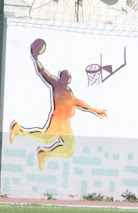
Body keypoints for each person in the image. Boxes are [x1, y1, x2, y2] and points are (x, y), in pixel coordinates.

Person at [9, 39, 107, 170]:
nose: (69, 78)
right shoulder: (57, 84)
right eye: (67, 76)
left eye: (69, 77)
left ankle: (45, 154)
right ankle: (19, 130)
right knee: (47, 139)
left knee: (68, 150)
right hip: (57, 122)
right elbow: (43, 72)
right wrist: (35, 58)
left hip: (65, 125)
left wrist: (96, 110)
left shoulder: (69, 92)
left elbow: (79, 103)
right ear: (63, 78)